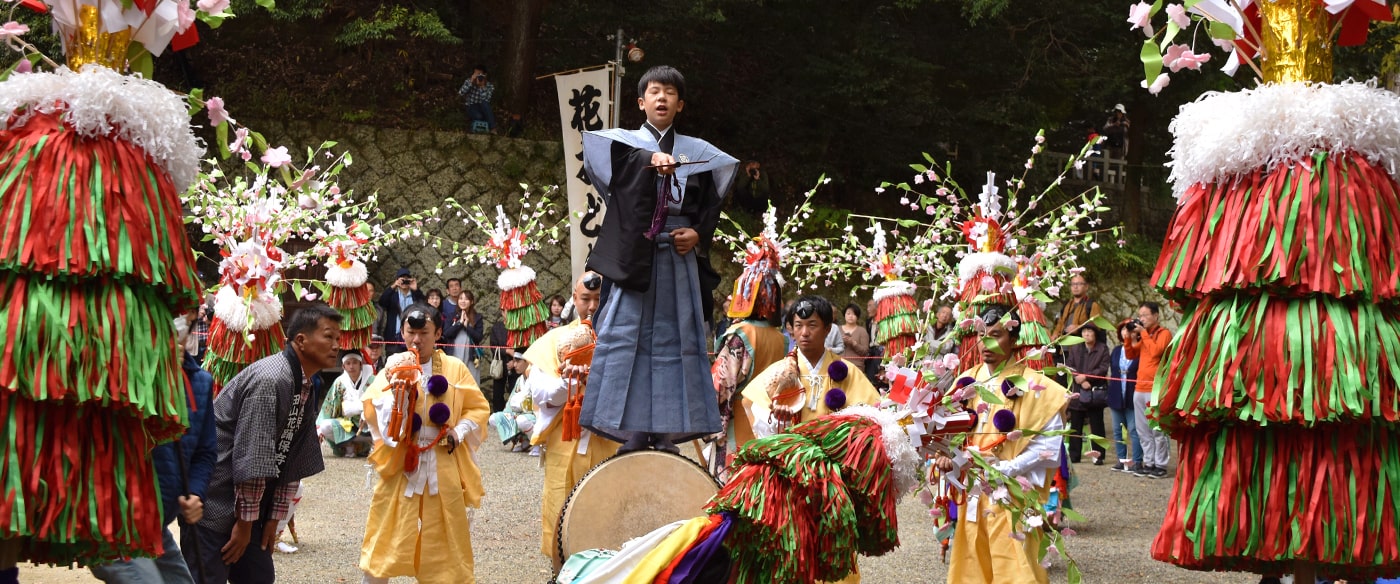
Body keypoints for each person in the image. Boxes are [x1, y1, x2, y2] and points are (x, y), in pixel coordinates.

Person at [577, 65, 739, 453]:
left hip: (678, 255)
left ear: (680, 104)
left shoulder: (696, 152)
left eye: (669, 92)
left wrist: (699, 231)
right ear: (640, 101)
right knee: (623, 335)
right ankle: (631, 427)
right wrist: (647, 160)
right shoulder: (623, 144)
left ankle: (669, 428)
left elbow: (712, 201)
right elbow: (614, 183)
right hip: (637, 253)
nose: (661, 97)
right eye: (654, 91)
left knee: (678, 339)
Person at [193, 304, 341, 583]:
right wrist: (246, 524)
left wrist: (273, 518)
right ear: (301, 340)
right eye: (328, 336)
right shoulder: (272, 378)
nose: (336, 346)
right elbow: (254, 454)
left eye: (337, 338)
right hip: (217, 499)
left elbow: (294, 456)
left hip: (250, 511)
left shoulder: (307, 382)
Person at [358, 303, 491, 584]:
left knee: (446, 533)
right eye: (411, 332)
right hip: (403, 460)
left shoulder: (454, 368)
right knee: (388, 527)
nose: (416, 340)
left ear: (438, 333)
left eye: (424, 333)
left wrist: (460, 431)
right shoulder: (392, 368)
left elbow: (477, 408)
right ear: (402, 333)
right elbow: (381, 421)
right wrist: (398, 396)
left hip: (442, 458)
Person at [935, 306, 1068, 584]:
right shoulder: (964, 383)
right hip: (972, 490)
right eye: (981, 334)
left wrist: (1007, 468)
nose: (986, 343)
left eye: (996, 334)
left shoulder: (1034, 386)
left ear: (1014, 339)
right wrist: (946, 456)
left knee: (1015, 563)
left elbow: (1049, 446)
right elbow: (944, 435)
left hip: (1011, 492)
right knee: (972, 561)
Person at [90, 315, 216, 584]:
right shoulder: (114, 375)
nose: (178, 325)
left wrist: (195, 492)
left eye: (187, 320)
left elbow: (205, 453)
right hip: (113, 521)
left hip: (154, 525)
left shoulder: (201, 383)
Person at [522, 271, 619, 564]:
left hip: (608, 442)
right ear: (574, 299)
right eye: (585, 299)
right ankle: (560, 571)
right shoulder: (555, 339)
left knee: (607, 512)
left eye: (598, 300)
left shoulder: (620, 341)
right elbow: (540, 393)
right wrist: (572, 382)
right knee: (560, 511)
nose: (591, 306)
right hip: (565, 439)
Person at [743, 296, 882, 438]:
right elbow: (759, 422)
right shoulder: (777, 373)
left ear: (827, 329)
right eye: (798, 325)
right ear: (791, 330)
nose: (804, 333)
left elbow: (870, 416)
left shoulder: (848, 372)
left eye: (812, 325)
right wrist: (778, 420)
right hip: (790, 456)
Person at [1124, 301, 1172, 479]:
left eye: (1145, 315)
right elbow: (1130, 354)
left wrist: (1143, 333)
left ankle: (1161, 464)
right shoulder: (1146, 336)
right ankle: (1149, 462)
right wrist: (1129, 337)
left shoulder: (1163, 333)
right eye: (1140, 315)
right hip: (1140, 387)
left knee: (1157, 429)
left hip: (1155, 388)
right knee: (1142, 429)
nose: (1141, 318)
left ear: (1156, 316)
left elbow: (1156, 352)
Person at [1063, 324, 1110, 464]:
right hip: (1078, 390)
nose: (1087, 334)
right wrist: (1080, 379)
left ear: (1095, 334)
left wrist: (1087, 377)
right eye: (1084, 331)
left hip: (1095, 391)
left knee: (1097, 425)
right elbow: (1070, 366)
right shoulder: (1076, 348)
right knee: (1076, 425)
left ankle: (1098, 455)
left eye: (1089, 331)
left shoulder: (1102, 349)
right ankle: (1074, 455)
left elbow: (1103, 368)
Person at [316, 350, 374, 458]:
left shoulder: (372, 380)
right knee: (325, 426)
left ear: (361, 364)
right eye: (348, 363)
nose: (351, 366)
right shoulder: (339, 383)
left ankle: (372, 446)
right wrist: (319, 429)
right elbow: (329, 407)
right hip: (348, 425)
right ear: (343, 366)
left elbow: (380, 401)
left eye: (355, 362)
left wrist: (364, 411)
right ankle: (349, 445)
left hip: (368, 423)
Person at [1106, 320, 1142, 473]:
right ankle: (1121, 460)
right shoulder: (1116, 350)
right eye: (1123, 330)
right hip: (1116, 392)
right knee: (1117, 429)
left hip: (1133, 393)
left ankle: (1137, 461)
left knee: (1134, 429)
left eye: (1130, 330)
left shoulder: (1141, 349)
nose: (1126, 333)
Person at [487, 348, 537, 453]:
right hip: (519, 414)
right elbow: (510, 403)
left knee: (521, 421)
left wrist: (519, 409)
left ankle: (538, 444)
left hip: (534, 416)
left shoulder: (536, 378)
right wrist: (508, 416)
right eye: (514, 361)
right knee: (494, 418)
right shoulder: (520, 379)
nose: (514, 365)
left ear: (527, 361)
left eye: (518, 361)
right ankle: (523, 440)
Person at [378, 268, 425, 356]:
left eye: (406, 279)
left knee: (412, 362)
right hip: (394, 337)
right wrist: (393, 286)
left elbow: (424, 305)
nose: (404, 282)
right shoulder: (393, 296)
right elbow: (382, 302)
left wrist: (416, 289)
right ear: (397, 280)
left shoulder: (415, 296)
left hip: (413, 336)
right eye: (402, 279)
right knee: (394, 364)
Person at [442, 289, 485, 381]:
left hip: (471, 356)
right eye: (461, 298)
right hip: (454, 354)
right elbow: (446, 334)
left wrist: (467, 326)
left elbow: (479, 337)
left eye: (466, 299)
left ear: (472, 301)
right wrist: (460, 323)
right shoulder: (451, 316)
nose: (463, 301)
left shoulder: (477, 317)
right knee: (454, 380)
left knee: (471, 382)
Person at [488, 311, 515, 413]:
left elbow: (523, 347)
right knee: (497, 393)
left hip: (515, 363)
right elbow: (493, 346)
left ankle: (514, 415)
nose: (507, 313)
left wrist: (515, 360)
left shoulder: (520, 327)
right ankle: (498, 415)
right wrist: (507, 351)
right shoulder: (497, 327)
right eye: (505, 311)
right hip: (500, 363)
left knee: (515, 392)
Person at [459, 65, 495, 133]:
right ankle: (485, 122)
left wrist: (482, 87)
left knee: (485, 103)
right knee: (479, 117)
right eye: (475, 74)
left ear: (485, 75)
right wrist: (471, 82)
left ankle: (493, 128)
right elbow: (461, 93)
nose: (478, 76)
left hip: (483, 107)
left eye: (479, 74)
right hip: (471, 106)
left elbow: (487, 99)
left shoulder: (490, 86)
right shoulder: (469, 81)